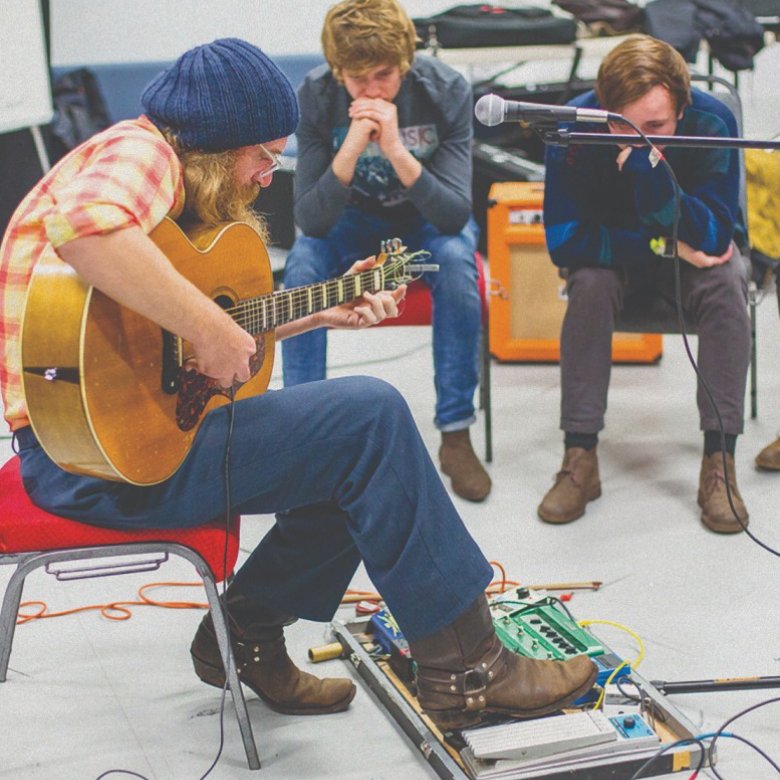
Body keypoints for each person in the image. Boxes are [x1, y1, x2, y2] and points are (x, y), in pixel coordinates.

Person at [0, 39, 595, 731]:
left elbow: (164, 352)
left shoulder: (160, 171)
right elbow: (87, 230)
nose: (265, 175)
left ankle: (246, 637)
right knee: (370, 418)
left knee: (348, 454)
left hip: (109, 442)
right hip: (90, 462)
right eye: (261, 155)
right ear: (214, 145)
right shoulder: (145, 155)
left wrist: (316, 310)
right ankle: (469, 672)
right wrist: (214, 331)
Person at [281, 0, 491, 503]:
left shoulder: (447, 90)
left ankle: (456, 433)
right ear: (337, 73)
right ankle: (302, 440)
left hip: (425, 221)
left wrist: (396, 148)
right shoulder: (313, 95)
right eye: (358, 80)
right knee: (302, 267)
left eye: (384, 76)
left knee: (460, 267)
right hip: (349, 223)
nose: (373, 92)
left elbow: (452, 216)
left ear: (406, 64)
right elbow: (311, 220)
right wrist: (352, 146)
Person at [539, 35, 751, 535]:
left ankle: (719, 462)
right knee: (587, 282)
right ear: (604, 107)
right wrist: (665, 242)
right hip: (617, 268)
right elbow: (565, 243)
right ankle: (580, 455)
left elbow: (717, 235)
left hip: (689, 272)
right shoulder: (577, 123)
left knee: (727, 278)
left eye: (654, 127)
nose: (634, 138)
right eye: (621, 123)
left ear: (682, 104)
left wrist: (647, 173)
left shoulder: (714, 120)